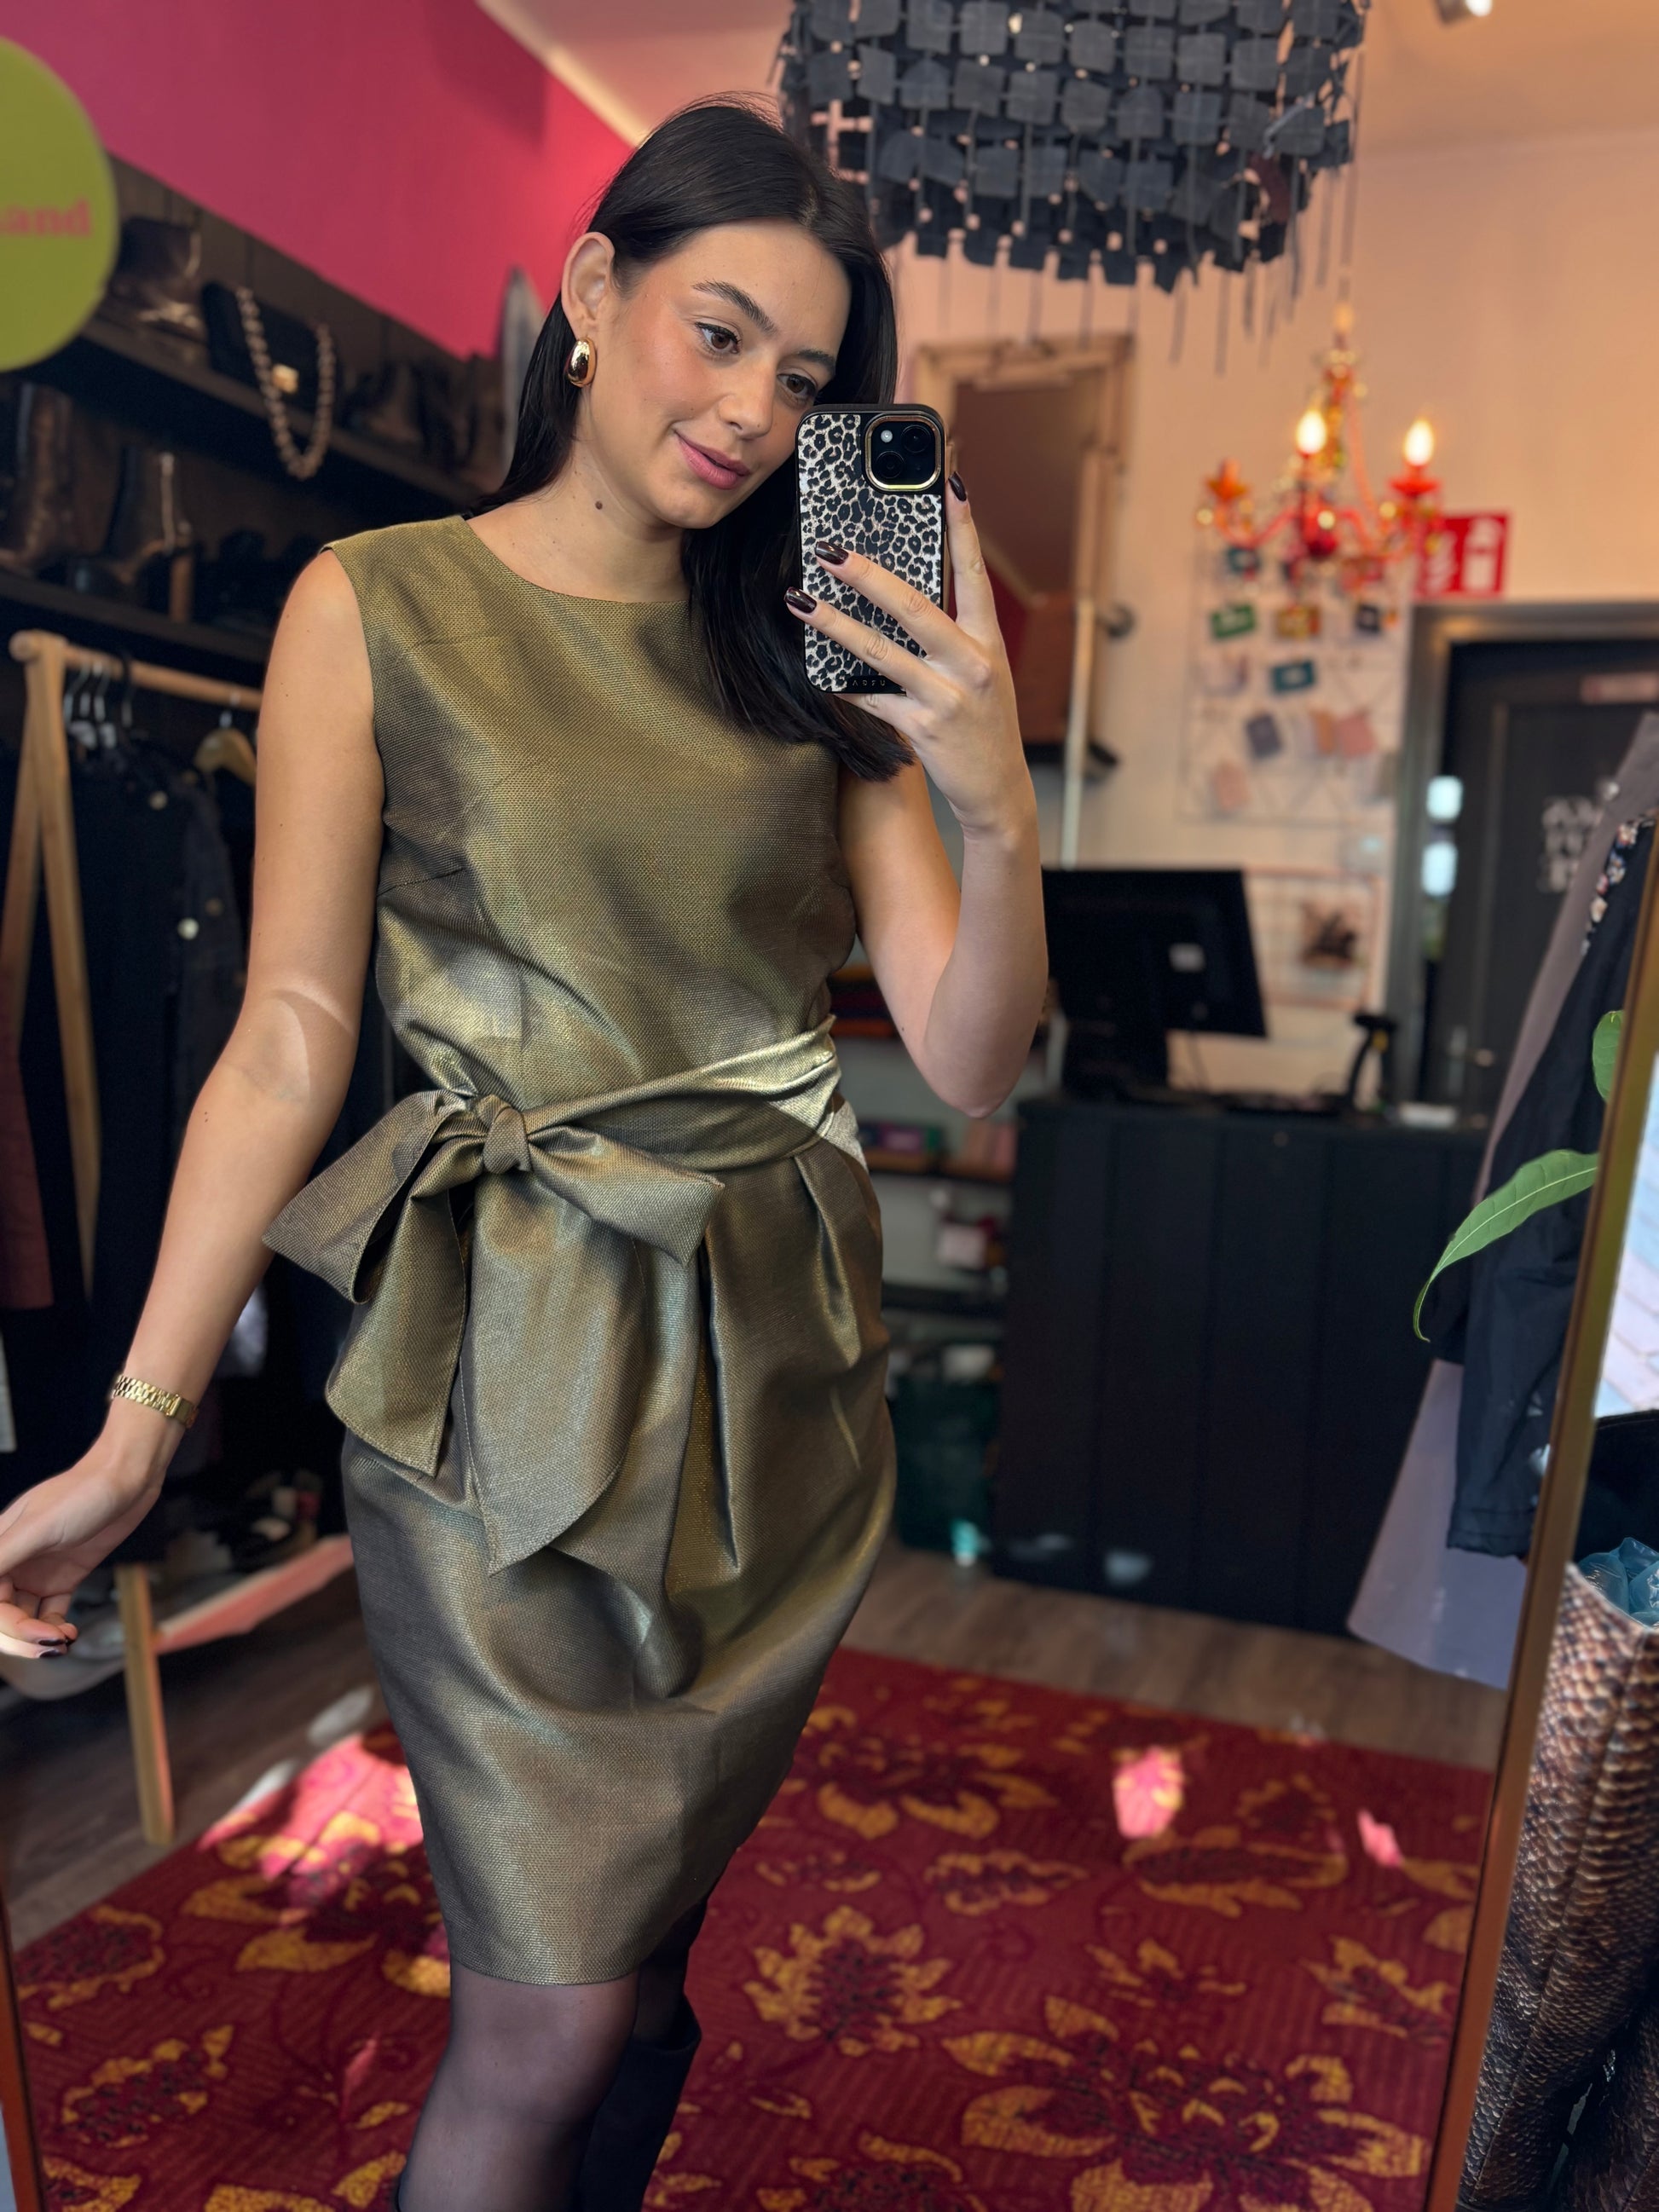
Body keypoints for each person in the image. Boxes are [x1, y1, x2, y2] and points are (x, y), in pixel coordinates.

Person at [0, 101, 1045, 2212]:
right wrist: (134, 1432)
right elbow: (286, 1036)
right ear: (591, 290)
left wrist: (992, 797)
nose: (751, 413)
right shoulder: (373, 604)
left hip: (772, 1371)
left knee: (642, 1976)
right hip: (504, 1363)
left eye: (805, 379)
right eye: (715, 333)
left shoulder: (816, 650)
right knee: (548, 2010)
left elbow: (966, 1053)